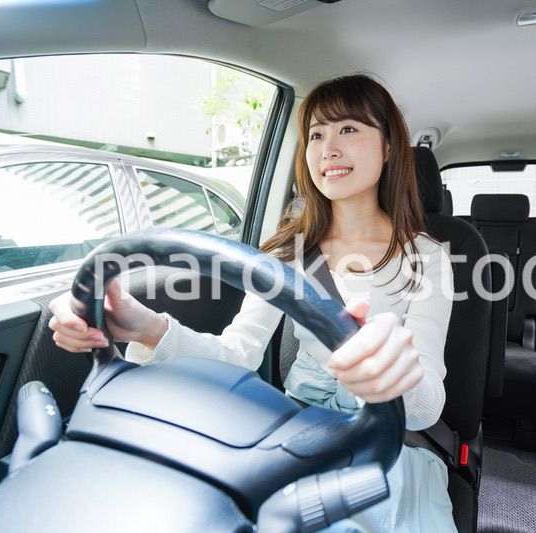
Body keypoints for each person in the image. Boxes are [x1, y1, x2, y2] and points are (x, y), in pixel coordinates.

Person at [48, 74, 456, 532]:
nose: (328, 149)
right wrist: (146, 326)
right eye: (316, 135)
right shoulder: (289, 251)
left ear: (387, 148)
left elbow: (425, 409)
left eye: (348, 129)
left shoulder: (430, 259)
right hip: (295, 433)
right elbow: (238, 354)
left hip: (385, 447)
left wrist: (385, 373)